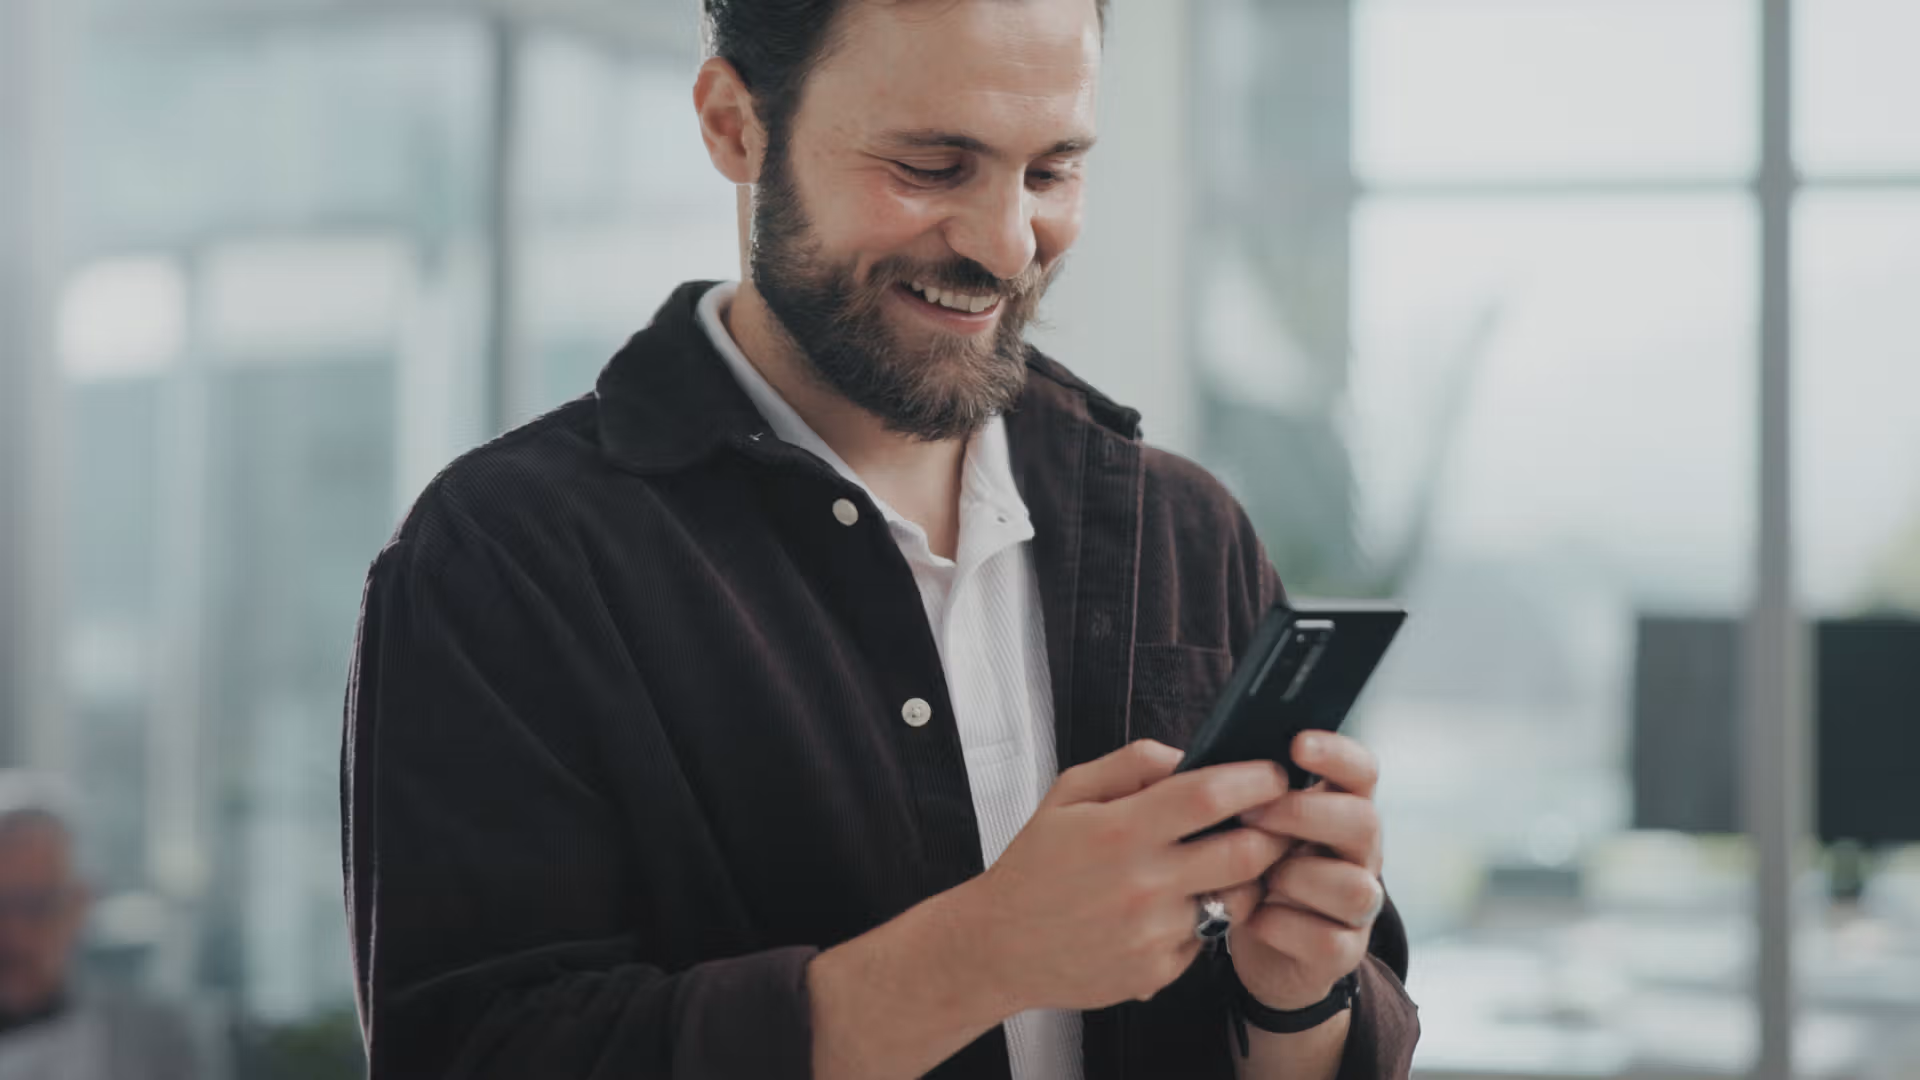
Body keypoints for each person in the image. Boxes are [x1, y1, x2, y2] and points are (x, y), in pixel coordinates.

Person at [341, 0, 1419, 1076]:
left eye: (1050, 172)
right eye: (932, 165)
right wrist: (978, 958)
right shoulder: (503, 558)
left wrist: (1295, 1004)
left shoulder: (1184, 531)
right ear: (735, 125)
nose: (1005, 247)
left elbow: (1327, 1024)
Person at [0, 776, 200, 1080]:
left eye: (37, 907)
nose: (14, 934)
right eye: (2, 905)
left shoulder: (156, 1040)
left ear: (81, 902)